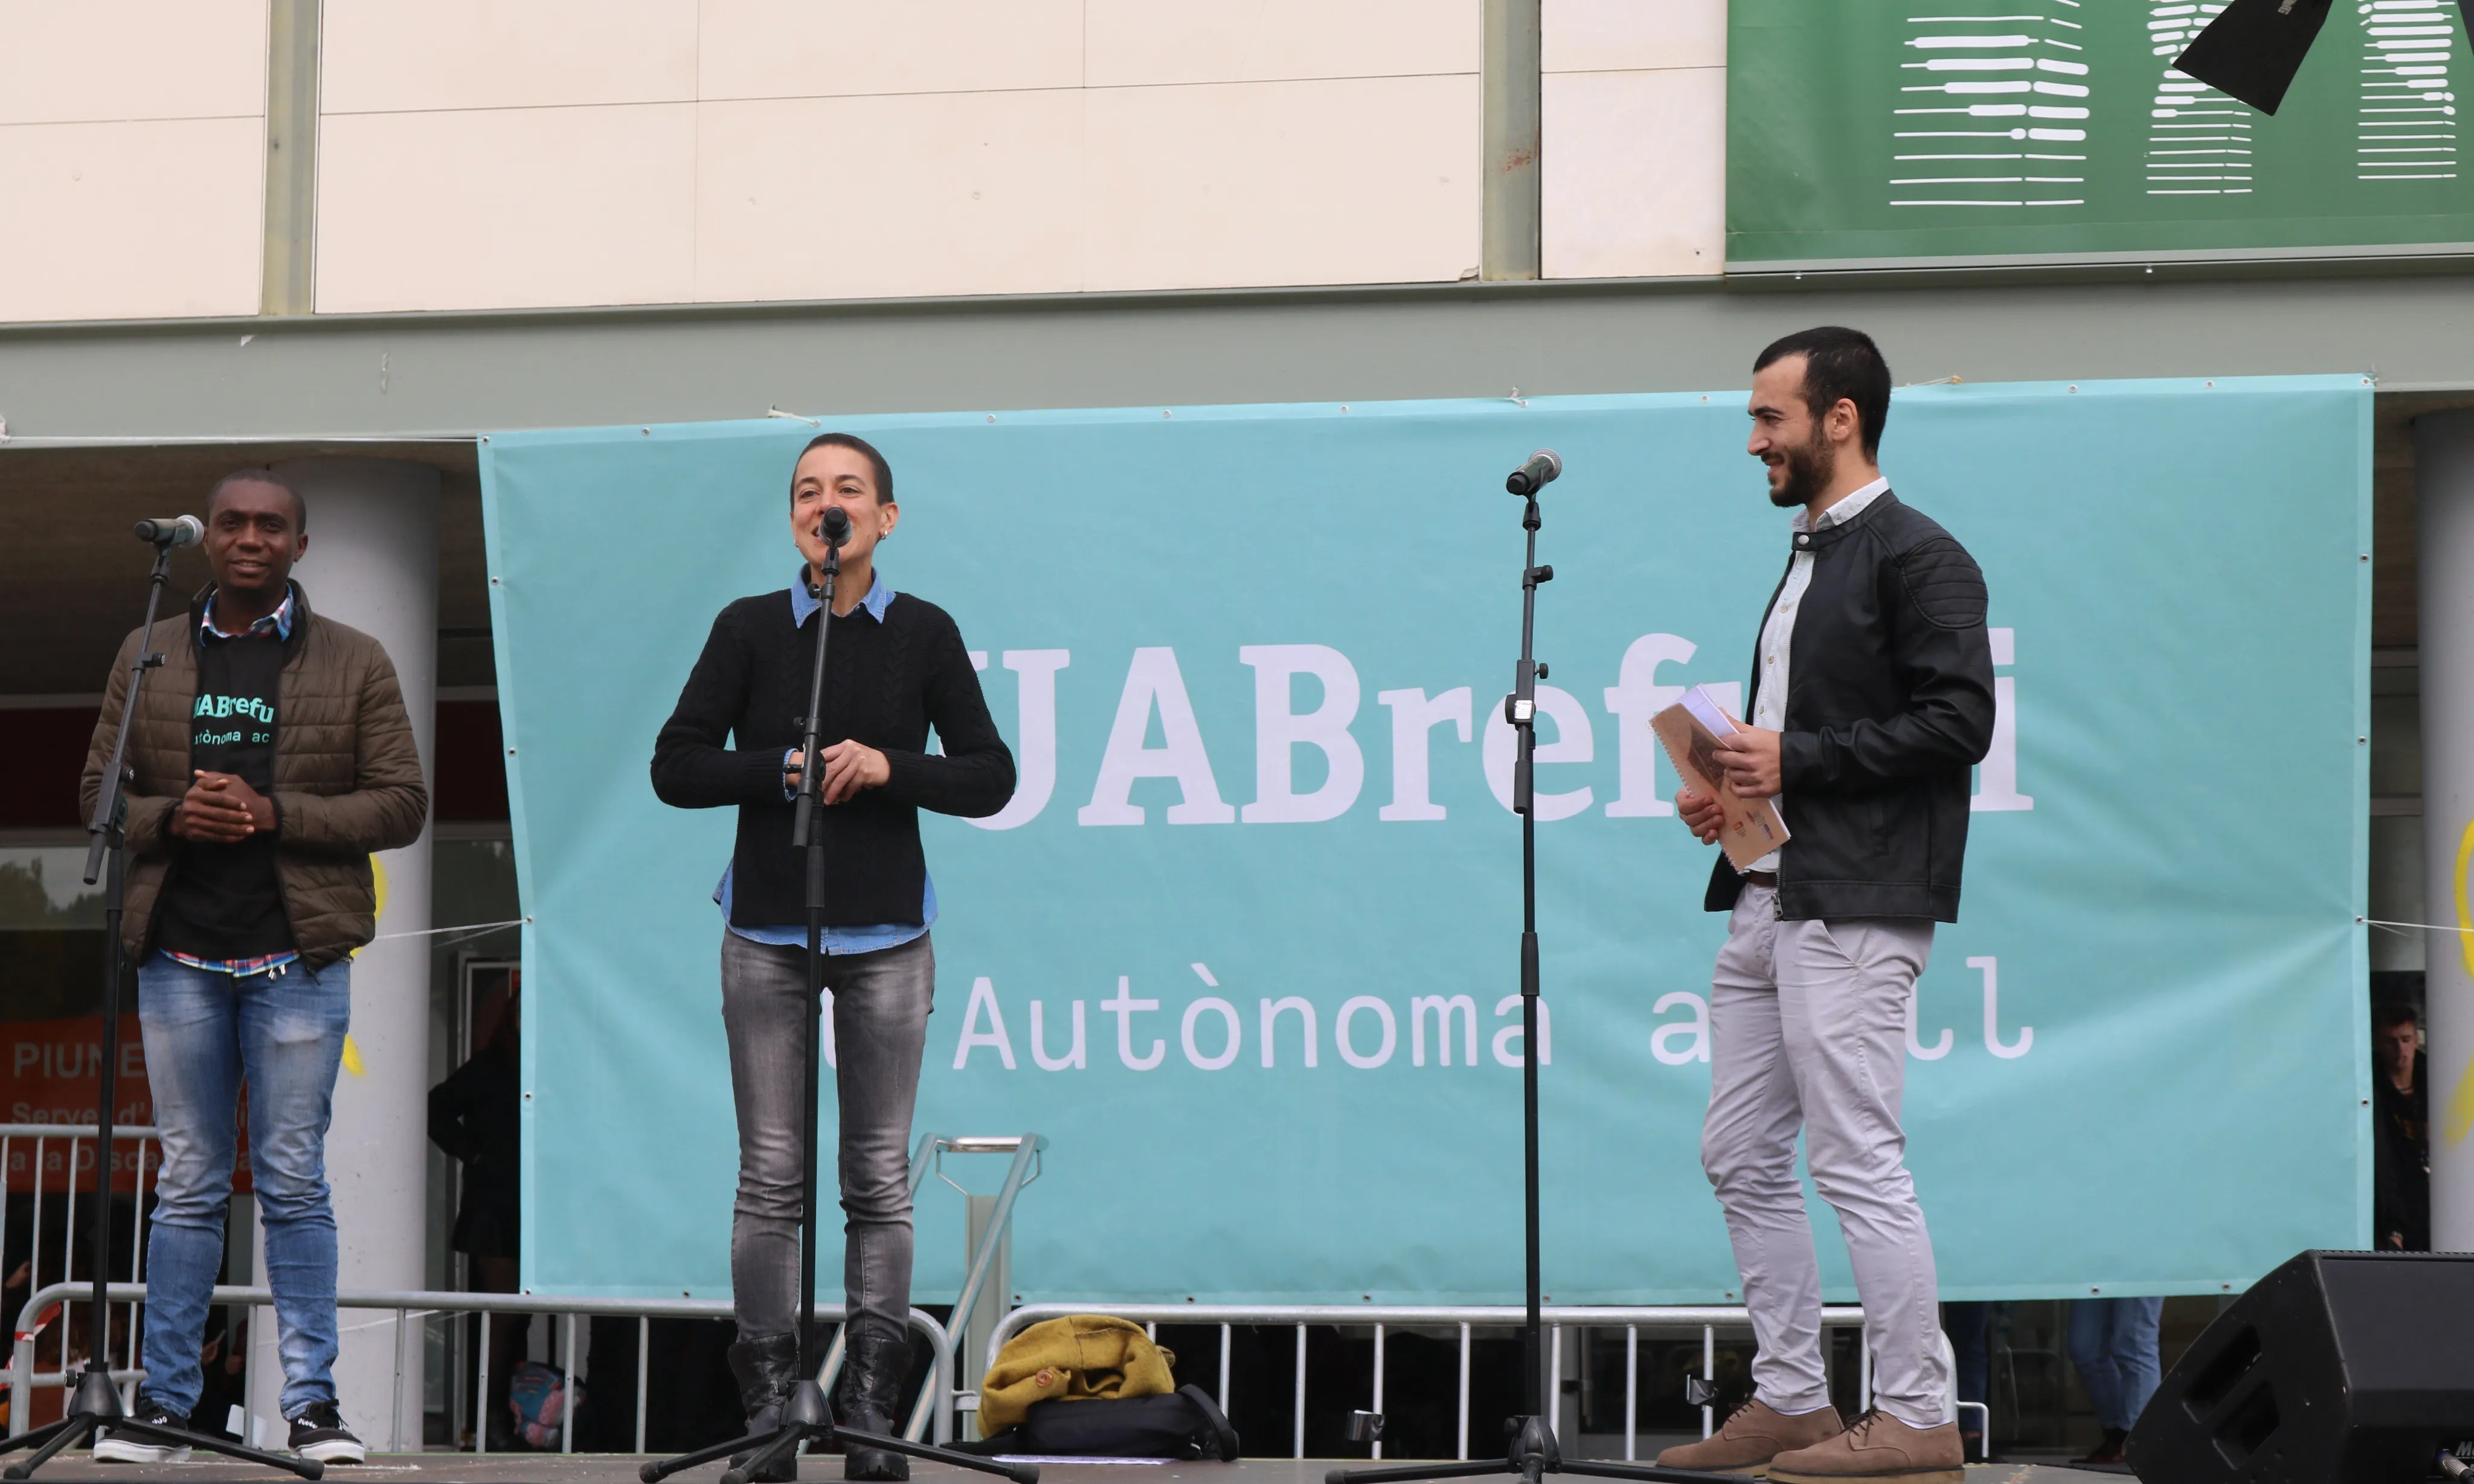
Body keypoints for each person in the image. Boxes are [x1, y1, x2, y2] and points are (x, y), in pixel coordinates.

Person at [1656, 327, 1995, 1484]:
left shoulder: (1919, 554)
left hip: (1854, 901)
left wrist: (1792, 757)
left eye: (1770, 419)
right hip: (1771, 888)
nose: (1753, 440)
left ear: (1839, 418)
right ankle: (1795, 1398)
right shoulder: (1810, 554)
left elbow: (1961, 724)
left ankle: (1916, 1412)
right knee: (1738, 1148)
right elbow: (1802, 741)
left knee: (1856, 1153)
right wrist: (1734, 792)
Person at [651, 433, 1016, 1481]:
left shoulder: (926, 632)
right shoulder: (754, 628)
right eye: (809, 492)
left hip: (888, 933)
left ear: (885, 520)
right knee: (769, 1177)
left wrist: (890, 764)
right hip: (767, 929)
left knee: (876, 1180)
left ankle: (867, 1411)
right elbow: (676, 764)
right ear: (795, 521)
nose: (827, 505)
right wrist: (784, 770)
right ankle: (771, 1407)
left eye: (847, 490)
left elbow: (991, 774)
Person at [79, 469, 429, 1464]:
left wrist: (279, 815)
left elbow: (403, 804)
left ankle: (315, 1407)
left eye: (269, 525)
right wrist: (170, 816)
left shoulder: (356, 660)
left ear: (299, 547)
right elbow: (96, 798)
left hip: (298, 956)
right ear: (204, 542)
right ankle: (168, 1405)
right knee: (188, 1182)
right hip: (179, 955)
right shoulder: (145, 654)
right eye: (230, 522)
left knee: (291, 1181)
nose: (248, 537)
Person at [428, 983, 526, 1448]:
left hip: (534, 1207)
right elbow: (437, 1106)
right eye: (522, 1011)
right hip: (494, 1207)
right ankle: (489, 1420)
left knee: (521, 1316)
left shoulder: (548, 1067)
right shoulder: (492, 1066)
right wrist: (474, 1154)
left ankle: (509, 1416)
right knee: (503, 1317)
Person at [2066, 1296, 2163, 1465]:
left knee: (2135, 1343)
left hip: (2138, 1270)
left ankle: (2135, 1443)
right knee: (2084, 1350)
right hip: (2088, 1269)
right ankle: (2116, 1436)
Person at [2371, 1000, 2429, 1251]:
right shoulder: (2369, 1090)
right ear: (2376, 1043)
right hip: (2391, 1204)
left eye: (2406, 1040)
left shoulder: (2438, 1078)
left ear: (2417, 1040)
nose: (2400, 1050)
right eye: (2391, 1041)